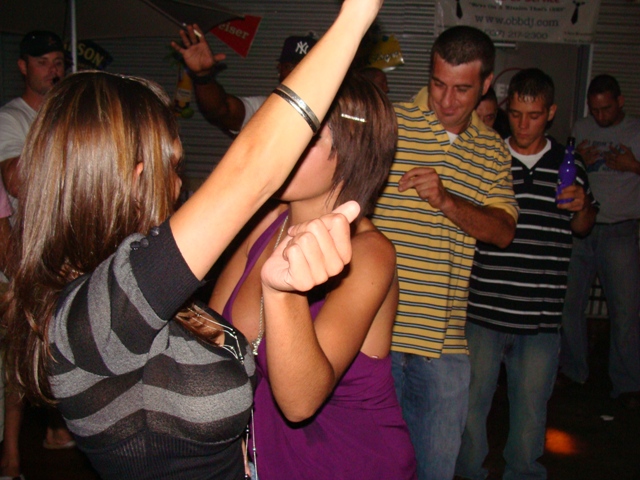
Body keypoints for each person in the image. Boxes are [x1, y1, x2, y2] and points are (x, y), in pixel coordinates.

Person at [1, 1, 383, 478]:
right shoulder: (93, 313)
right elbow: (251, 171)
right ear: (134, 175)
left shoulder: (136, 291)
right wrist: (355, 18)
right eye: (172, 165)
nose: (180, 184)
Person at [209, 71, 416, 480]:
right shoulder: (267, 221)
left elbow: (300, 400)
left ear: (351, 149)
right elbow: (209, 339)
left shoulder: (370, 253)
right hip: (265, 463)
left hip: (351, 464)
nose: (280, 147)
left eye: (303, 137)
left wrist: (282, 292)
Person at [371, 26, 518, 480]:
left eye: (461, 89)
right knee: (370, 468)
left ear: (486, 84)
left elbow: (503, 232)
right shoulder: (390, 123)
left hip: (443, 345)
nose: (446, 100)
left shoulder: (492, 151)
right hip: (374, 337)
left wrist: (446, 201)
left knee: (435, 470)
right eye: (438, 84)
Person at [455, 68, 597, 480]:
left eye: (533, 116)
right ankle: (468, 472)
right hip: (484, 308)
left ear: (550, 113)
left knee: (532, 410)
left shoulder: (568, 163)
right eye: (515, 114)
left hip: (540, 316)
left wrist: (582, 206)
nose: (522, 124)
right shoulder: (489, 156)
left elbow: (583, 228)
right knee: (471, 406)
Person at [0, 30, 74, 480]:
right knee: (20, 354)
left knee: (57, 347)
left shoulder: (65, 114)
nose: (53, 70)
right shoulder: (12, 118)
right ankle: (11, 455)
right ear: (23, 67)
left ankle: (56, 429)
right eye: (43, 62)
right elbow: (14, 181)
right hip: (21, 255)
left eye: (58, 61)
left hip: (61, 254)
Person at [559, 74, 640, 407]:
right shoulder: (581, 127)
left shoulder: (636, 131)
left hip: (619, 230)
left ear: (620, 102)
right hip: (582, 229)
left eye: (606, 108)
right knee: (569, 305)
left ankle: (627, 383)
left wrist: (634, 166)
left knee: (625, 311)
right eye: (595, 109)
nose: (600, 115)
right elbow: (566, 175)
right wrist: (578, 160)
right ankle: (574, 371)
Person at [173, 28, 317, 134]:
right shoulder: (264, 110)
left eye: (306, 68)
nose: (298, 74)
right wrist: (203, 76)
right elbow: (222, 110)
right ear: (279, 69)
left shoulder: (329, 118)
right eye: (290, 67)